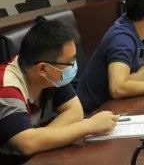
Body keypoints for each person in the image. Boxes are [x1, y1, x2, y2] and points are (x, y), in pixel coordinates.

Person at [0, 17, 118, 162]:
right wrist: (88, 126)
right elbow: (27, 144)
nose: (73, 65)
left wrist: (41, 139)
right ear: (43, 69)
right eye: (69, 62)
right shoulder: (6, 88)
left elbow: (75, 111)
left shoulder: (51, 75)